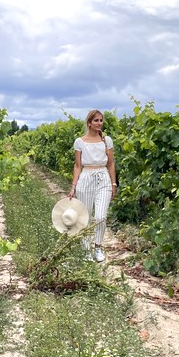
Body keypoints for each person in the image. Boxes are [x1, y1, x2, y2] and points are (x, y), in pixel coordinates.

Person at [67, 109, 117, 262]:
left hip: (103, 179)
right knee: (85, 216)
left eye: (101, 120)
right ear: (89, 123)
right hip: (86, 178)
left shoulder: (106, 140)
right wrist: (73, 187)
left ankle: (98, 247)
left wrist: (114, 183)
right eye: (96, 120)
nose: (99, 123)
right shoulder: (80, 142)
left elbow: (110, 163)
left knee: (101, 216)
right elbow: (77, 166)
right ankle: (86, 249)